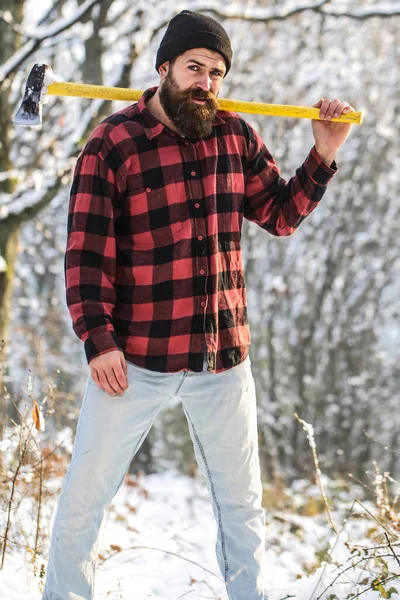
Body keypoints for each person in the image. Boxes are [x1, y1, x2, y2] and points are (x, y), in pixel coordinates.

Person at [42, 9, 354, 600]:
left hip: (223, 361)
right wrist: (98, 341)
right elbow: (85, 254)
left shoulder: (234, 136)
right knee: (86, 495)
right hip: (133, 360)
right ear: (164, 69)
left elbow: (280, 216)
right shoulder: (113, 144)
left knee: (242, 506)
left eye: (216, 72)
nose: (206, 82)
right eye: (194, 67)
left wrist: (323, 154)